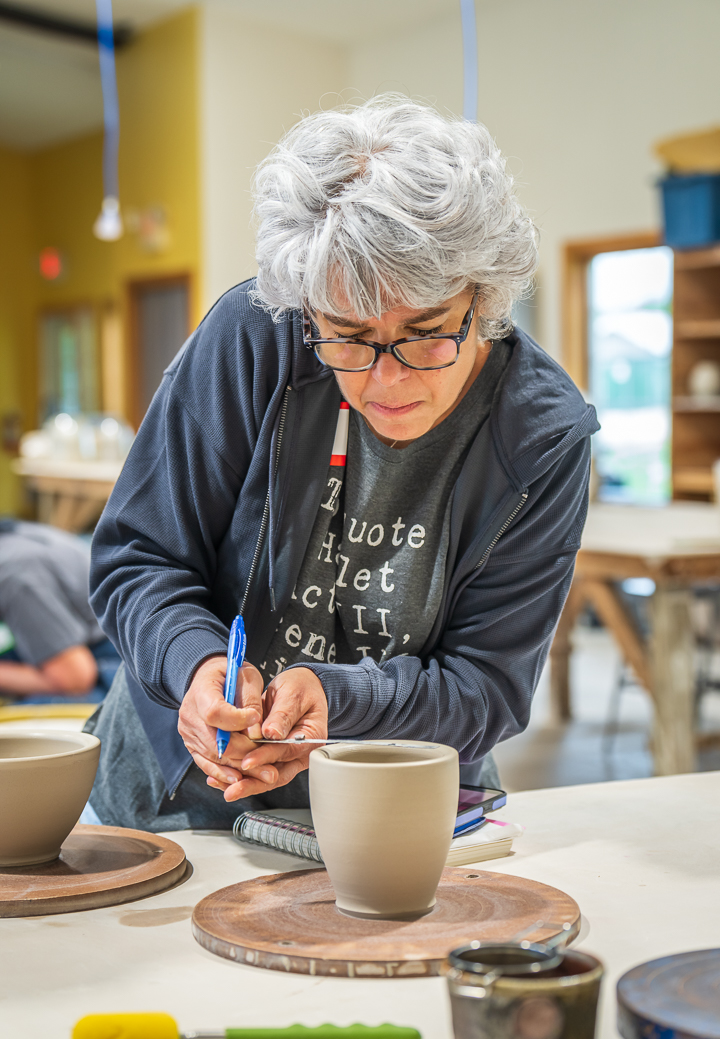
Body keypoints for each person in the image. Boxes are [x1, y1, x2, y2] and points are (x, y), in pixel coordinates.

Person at [86, 96, 598, 831]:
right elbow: (138, 556)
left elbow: (489, 684)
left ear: (484, 300)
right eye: (348, 338)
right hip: (174, 788)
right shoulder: (253, 340)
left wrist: (343, 701)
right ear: (306, 312)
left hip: (394, 800)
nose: (385, 381)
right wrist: (195, 668)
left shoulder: (541, 434)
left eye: (425, 336)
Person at [0, 520, 120, 703]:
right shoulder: (15, 535)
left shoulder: (14, 576)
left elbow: (75, 680)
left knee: (20, 719)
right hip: (89, 636)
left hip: (113, 660)